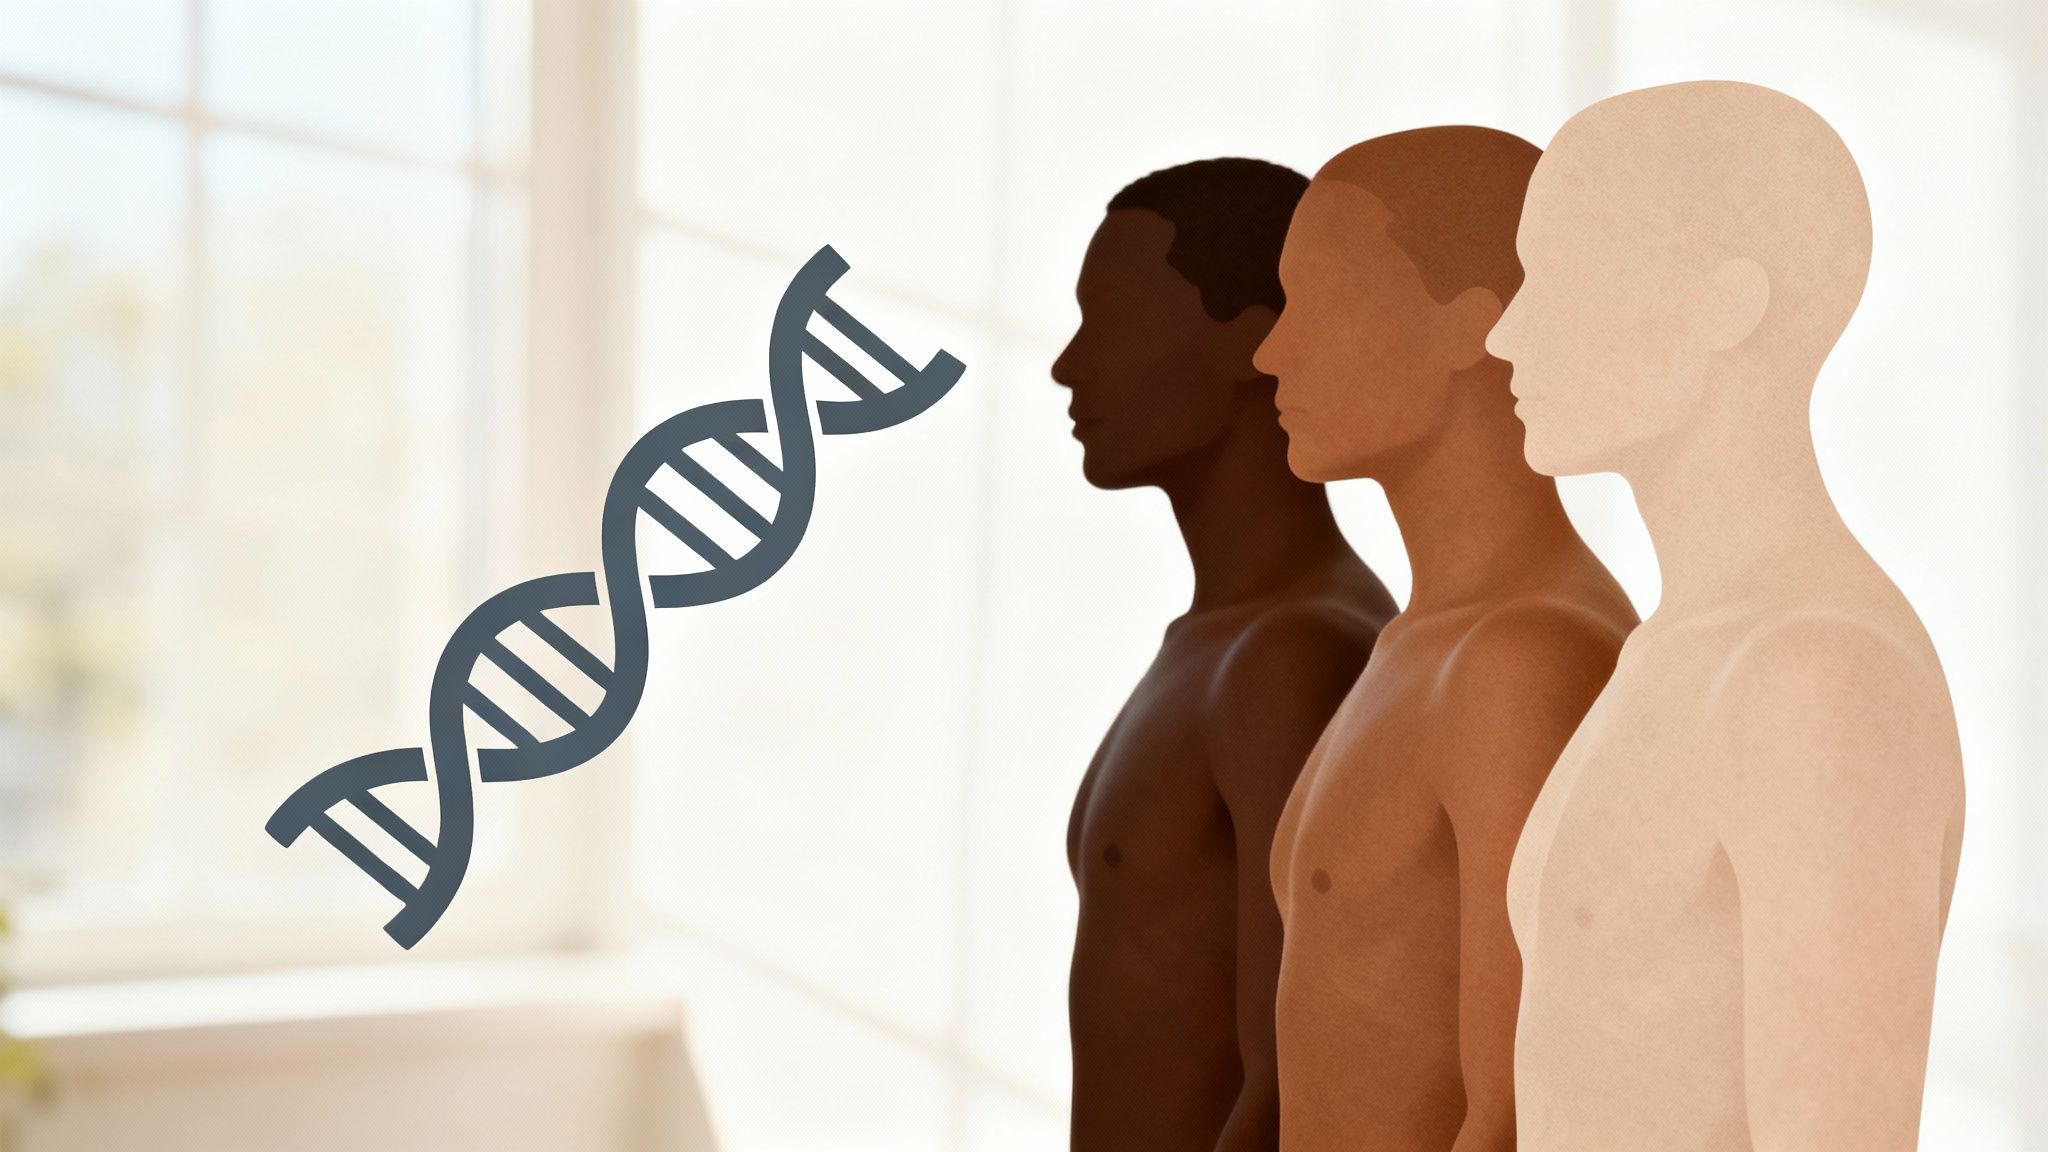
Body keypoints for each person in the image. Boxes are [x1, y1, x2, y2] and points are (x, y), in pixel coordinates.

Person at [1488, 80, 1965, 1151]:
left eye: (1555, 273)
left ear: (1725, 305)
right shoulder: (1673, 654)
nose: (1507, 334)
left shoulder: (1815, 681)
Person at [1253, 126, 1638, 1151]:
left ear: (1472, 324)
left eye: (1316, 303)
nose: (1267, 352)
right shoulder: (1416, 645)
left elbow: (1523, 1115)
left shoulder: (1523, 663)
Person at [1054, 157, 1398, 1152]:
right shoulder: (1215, 644)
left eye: (1111, 320)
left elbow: (1297, 1077)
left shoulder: (1289, 657)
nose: (1068, 366)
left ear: (1254, 341)